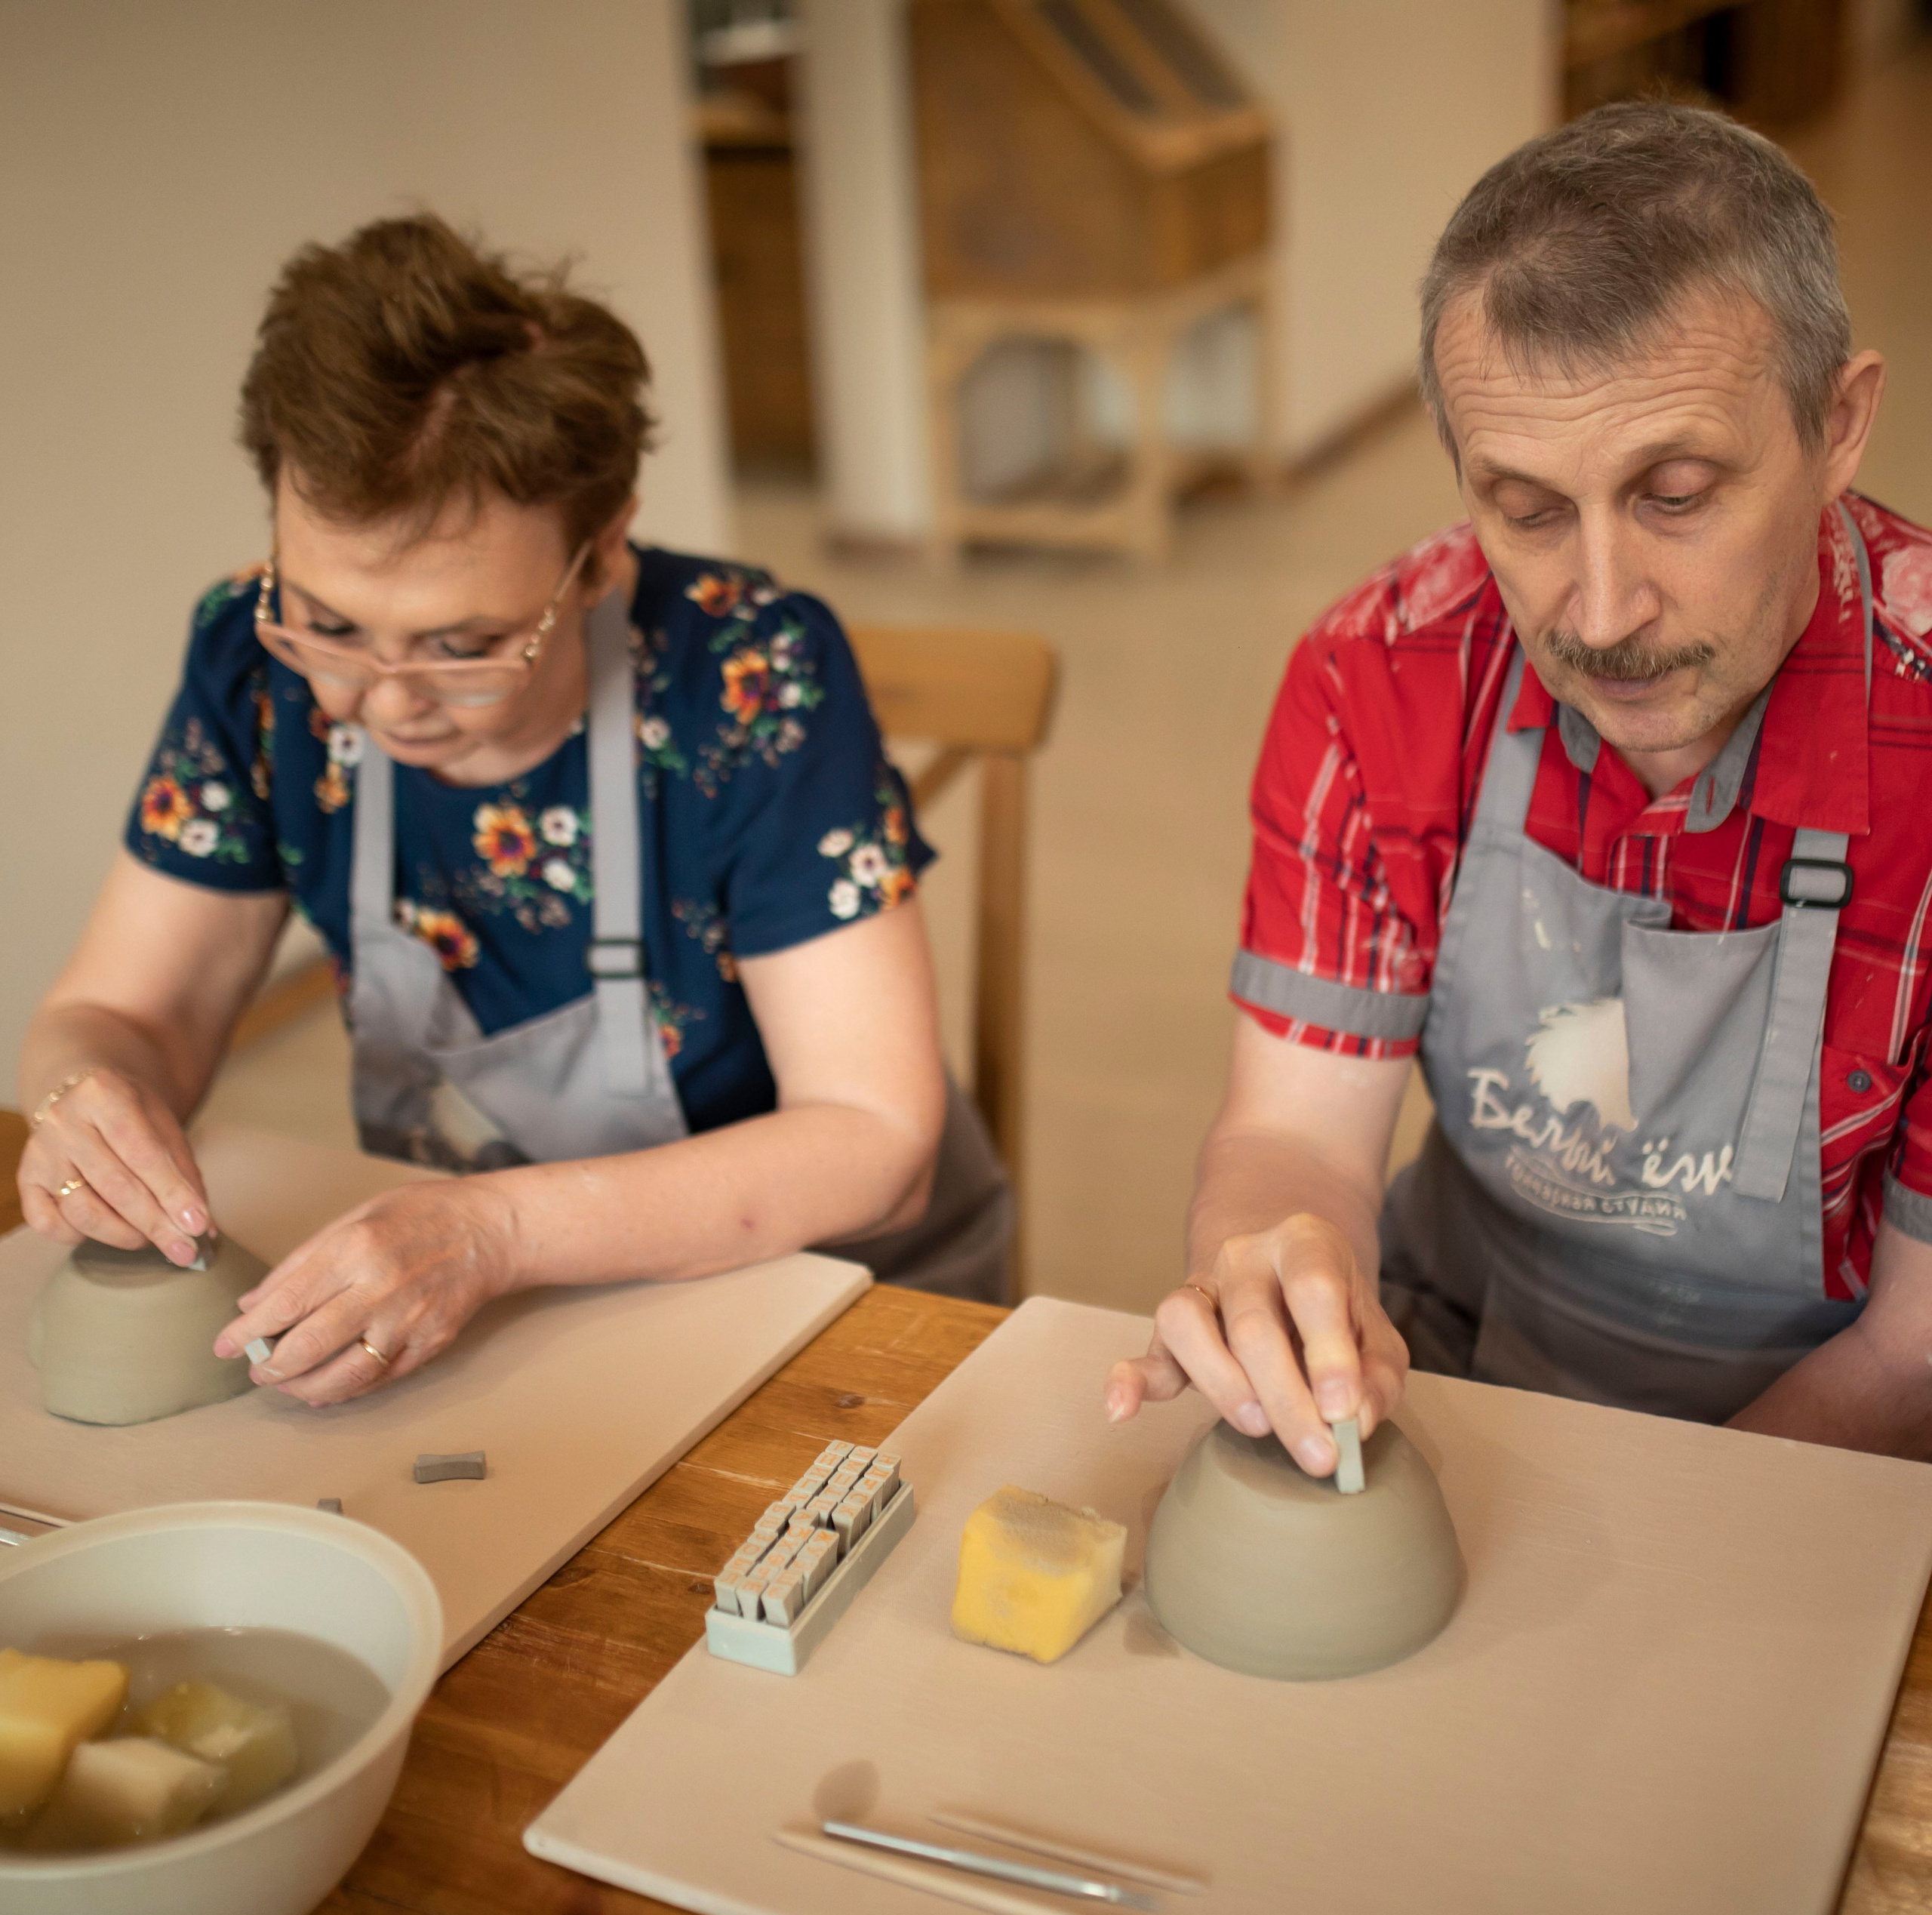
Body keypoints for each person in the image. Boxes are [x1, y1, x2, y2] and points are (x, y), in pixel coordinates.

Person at [16, 215, 1011, 1405]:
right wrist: (86, 1094)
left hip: (815, 1285)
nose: (380, 701)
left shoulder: (752, 679)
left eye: (465, 644)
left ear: (598, 557)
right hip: (494, 1304)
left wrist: (495, 1234)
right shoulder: (252, 660)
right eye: (329, 622)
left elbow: (871, 1143)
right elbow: (125, 1008)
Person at [1109, 100, 1932, 1470]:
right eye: (1529, 511)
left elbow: (1911, 1353)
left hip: (1833, 1456)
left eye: (1675, 493)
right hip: (1465, 1348)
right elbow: (1294, 1139)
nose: (1601, 612)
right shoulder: (1379, 678)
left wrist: (1635, 1559)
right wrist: (1286, 1261)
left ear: (1838, 425)